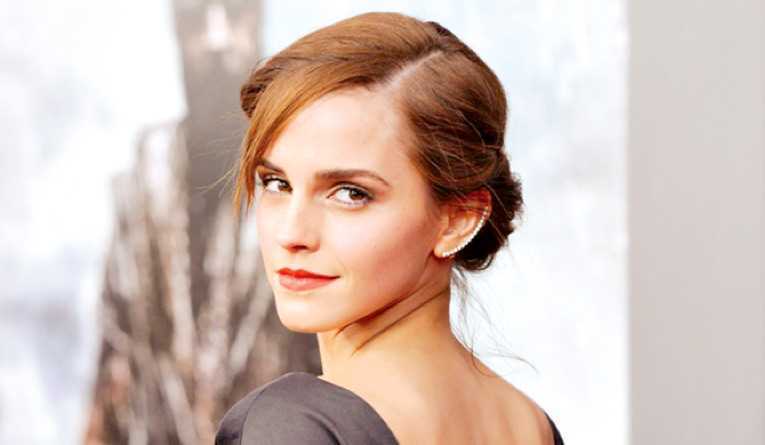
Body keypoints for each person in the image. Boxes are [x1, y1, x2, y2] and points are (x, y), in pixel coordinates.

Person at [215, 11, 564, 445]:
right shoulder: (529, 422)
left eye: (350, 193)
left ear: (458, 220)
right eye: (276, 183)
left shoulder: (295, 426)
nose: (292, 234)